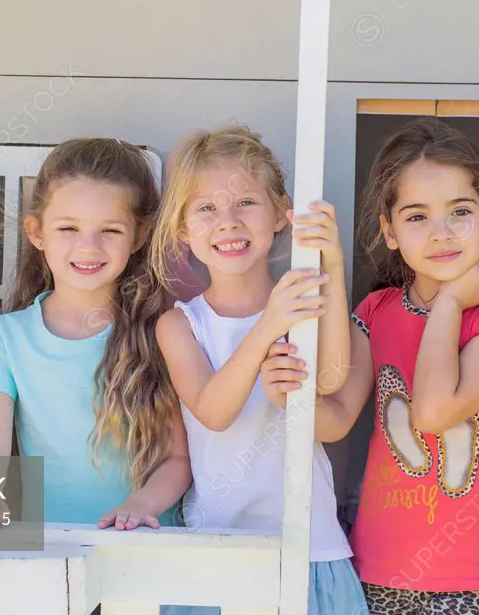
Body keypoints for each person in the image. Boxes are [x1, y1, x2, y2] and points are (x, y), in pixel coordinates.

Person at [263, 118, 479, 614]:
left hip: (475, 576)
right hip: (378, 567)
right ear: (389, 232)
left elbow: (434, 411)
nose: (441, 233)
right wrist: (289, 389)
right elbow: (332, 418)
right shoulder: (376, 312)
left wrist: (453, 301)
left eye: (459, 211)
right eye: (416, 217)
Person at [151, 124, 366, 615]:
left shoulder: (302, 298)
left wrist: (329, 261)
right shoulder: (179, 324)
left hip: (308, 548)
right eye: (206, 208)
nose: (226, 222)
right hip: (219, 550)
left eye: (245, 202)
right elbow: (213, 410)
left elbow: (332, 378)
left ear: (279, 215)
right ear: (184, 230)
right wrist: (269, 325)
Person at [0, 138, 190, 531]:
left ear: (138, 237)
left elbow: (177, 458)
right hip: (52, 553)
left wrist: (141, 503)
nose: (88, 247)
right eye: (68, 227)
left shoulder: (161, 331)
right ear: (36, 232)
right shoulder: (7, 336)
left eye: (110, 230)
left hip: (145, 550)